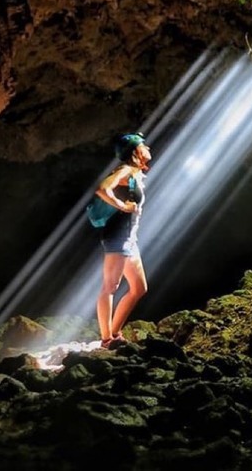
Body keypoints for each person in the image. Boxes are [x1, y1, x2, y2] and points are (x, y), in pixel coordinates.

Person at [93, 132, 152, 348]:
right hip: (118, 235)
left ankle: (115, 332)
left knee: (139, 288)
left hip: (129, 238)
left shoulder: (135, 174)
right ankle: (107, 339)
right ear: (135, 151)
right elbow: (103, 189)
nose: (149, 149)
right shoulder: (125, 169)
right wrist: (122, 205)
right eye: (144, 146)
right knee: (110, 286)